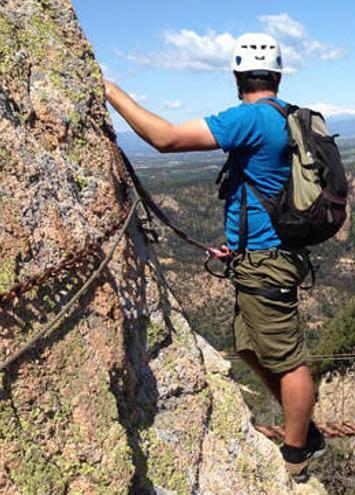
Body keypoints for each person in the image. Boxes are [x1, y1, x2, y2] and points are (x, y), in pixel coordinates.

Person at [104, 32, 325, 481]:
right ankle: (301, 426)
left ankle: (298, 451)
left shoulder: (251, 118)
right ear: (278, 76)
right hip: (260, 255)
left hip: (266, 260)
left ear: (237, 77)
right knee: (250, 347)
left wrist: (109, 90)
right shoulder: (285, 116)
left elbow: (165, 139)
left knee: (287, 361)